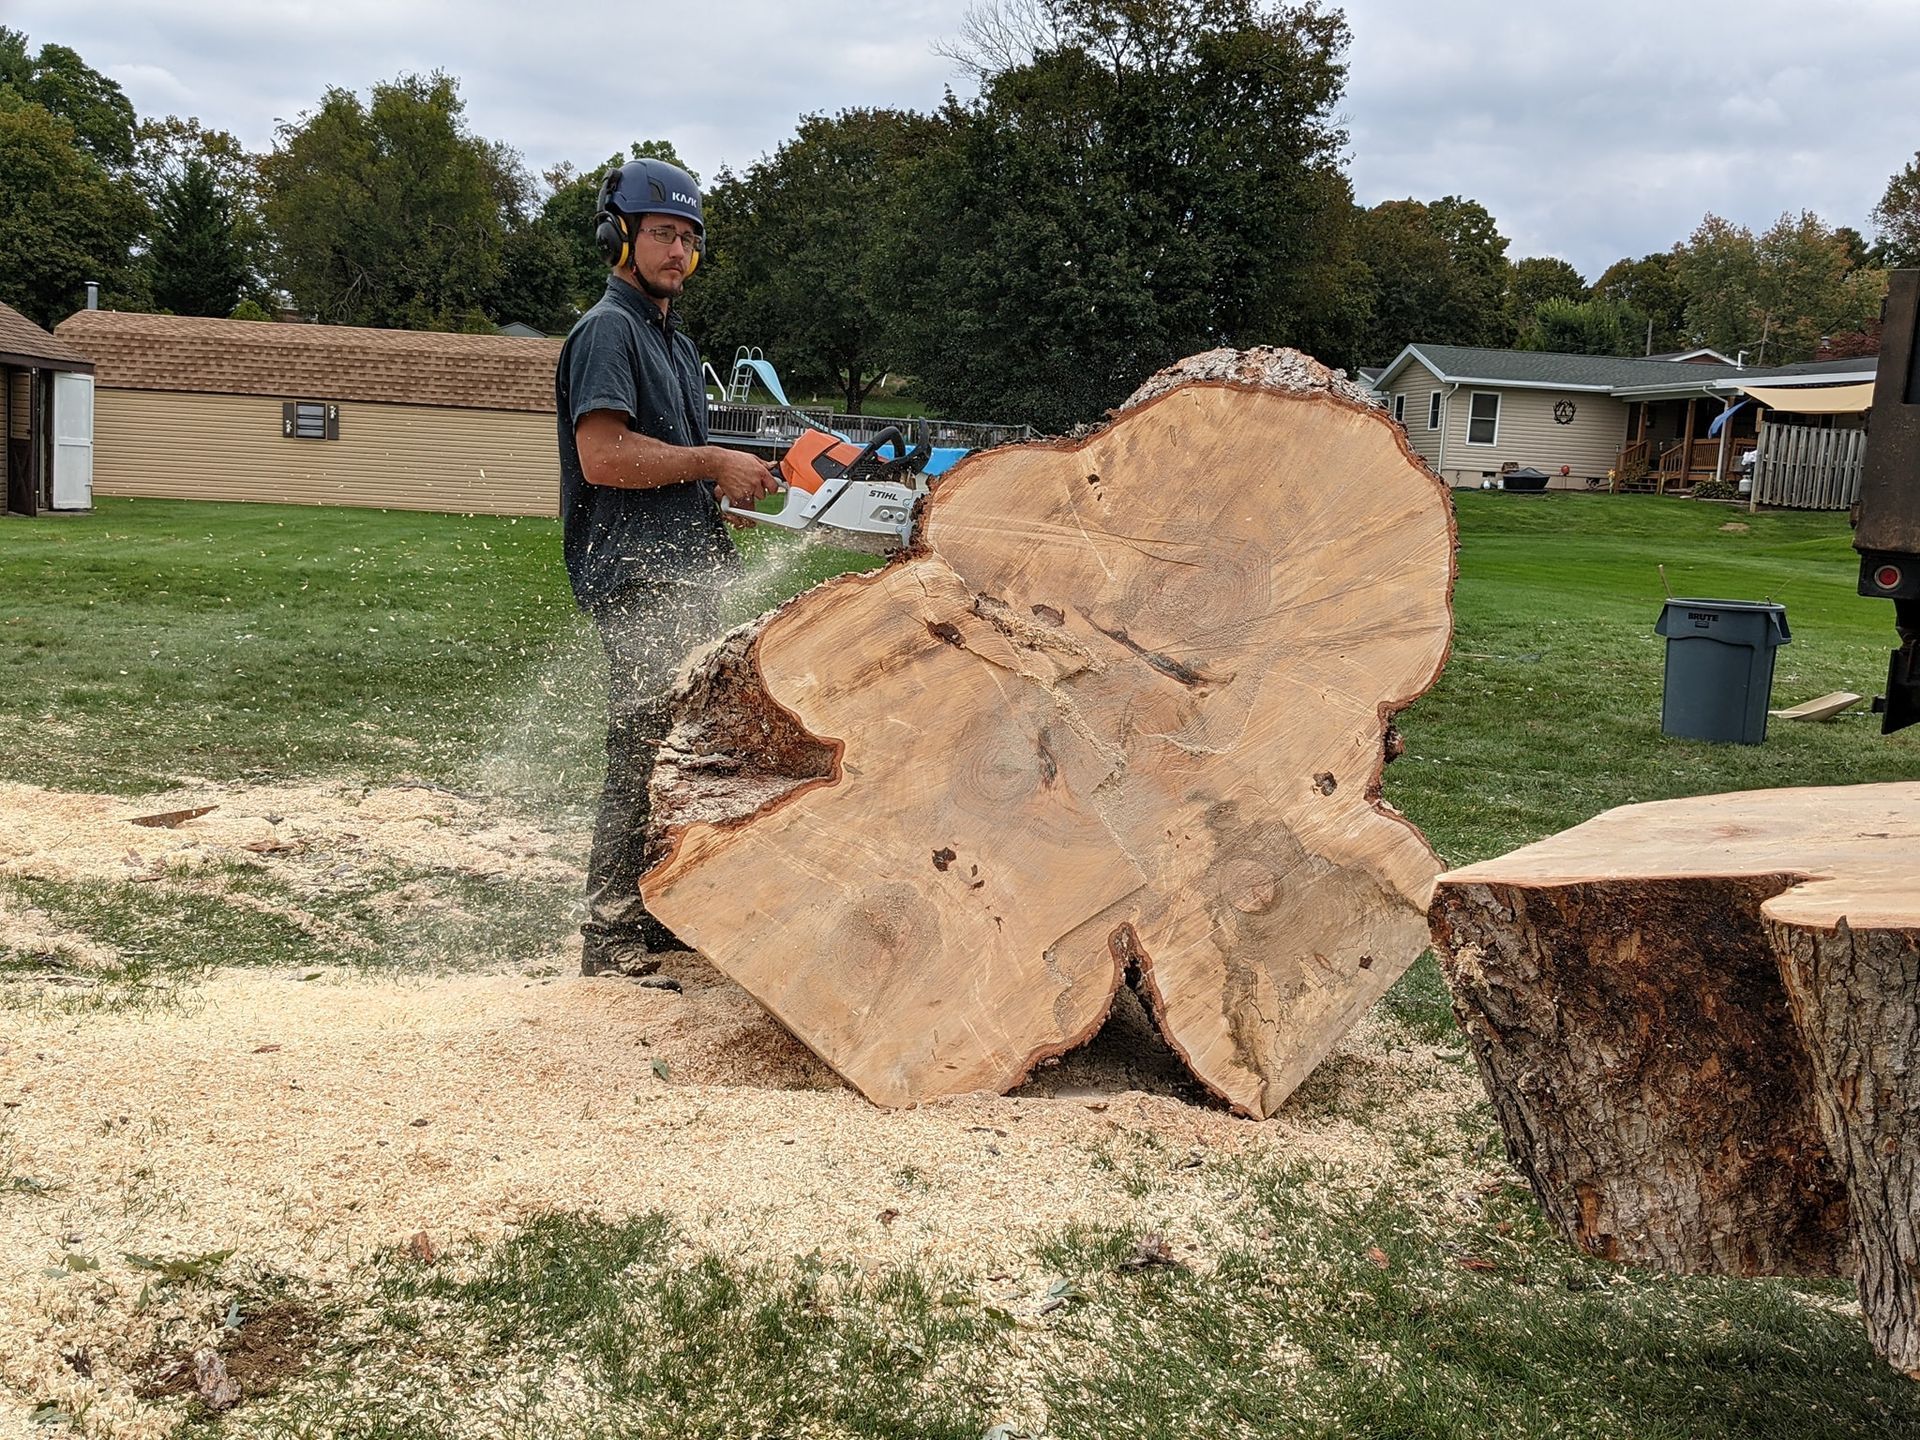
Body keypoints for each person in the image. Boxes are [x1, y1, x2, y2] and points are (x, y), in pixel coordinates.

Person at [555, 158, 777, 983]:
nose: (675, 250)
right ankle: (608, 933)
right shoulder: (607, 332)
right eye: (660, 233)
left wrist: (730, 486)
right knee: (643, 744)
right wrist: (712, 461)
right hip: (636, 574)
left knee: (687, 748)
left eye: (687, 237)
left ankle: (656, 910)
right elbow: (606, 457)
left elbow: (678, 464)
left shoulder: (676, 345)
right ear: (620, 237)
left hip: (686, 567)